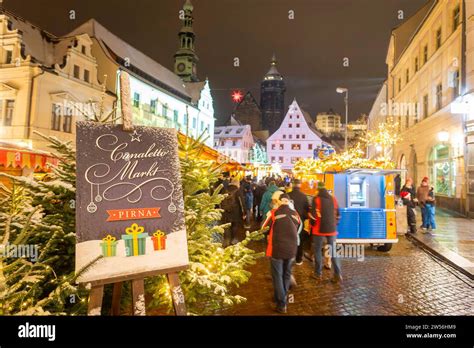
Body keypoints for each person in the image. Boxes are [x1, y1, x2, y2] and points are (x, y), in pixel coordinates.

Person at [261, 193, 301, 314]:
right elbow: (298, 228)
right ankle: (282, 296)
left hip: (277, 248)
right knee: (286, 274)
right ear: (288, 202)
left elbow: (263, 227)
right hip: (292, 249)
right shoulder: (296, 214)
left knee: (277, 276)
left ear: (279, 201)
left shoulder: (274, 213)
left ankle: (282, 303)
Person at [309, 182, 342, 283]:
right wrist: (335, 224)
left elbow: (313, 216)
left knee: (318, 251)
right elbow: (338, 214)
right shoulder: (333, 198)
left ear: (318, 189)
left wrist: (311, 223)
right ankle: (337, 274)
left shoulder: (316, 199)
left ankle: (318, 273)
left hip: (319, 229)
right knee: (333, 251)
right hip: (332, 230)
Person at [288, 179, 310, 266]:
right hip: (300, 222)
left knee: (289, 239)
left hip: (289, 221)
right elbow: (307, 209)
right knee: (299, 240)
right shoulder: (304, 196)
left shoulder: (288, 195)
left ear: (292, 185)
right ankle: (298, 259)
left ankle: (289, 258)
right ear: (300, 185)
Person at [220, 179, 245, 246]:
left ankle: (226, 241)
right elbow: (241, 202)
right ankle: (233, 240)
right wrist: (244, 212)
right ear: (237, 184)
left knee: (227, 226)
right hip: (235, 212)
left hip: (226, 212)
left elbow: (220, 201)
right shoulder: (238, 190)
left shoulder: (224, 190)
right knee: (234, 226)